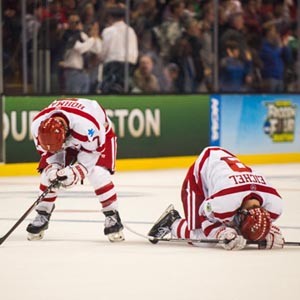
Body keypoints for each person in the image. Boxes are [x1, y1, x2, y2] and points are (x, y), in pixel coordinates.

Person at [27, 97, 124, 243]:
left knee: (97, 173)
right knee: (49, 176)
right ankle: (42, 214)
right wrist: (54, 168)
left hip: (99, 137)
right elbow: (48, 152)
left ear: (65, 132)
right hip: (68, 135)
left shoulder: (87, 126)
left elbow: (93, 152)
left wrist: (77, 172)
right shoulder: (37, 126)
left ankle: (112, 216)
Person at [148, 147, 284, 250]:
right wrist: (219, 233)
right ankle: (172, 222)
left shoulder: (275, 206)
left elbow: (260, 222)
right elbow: (203, 213)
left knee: (228, 225)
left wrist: (265, 232)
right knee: (200, 237)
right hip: (201, 175)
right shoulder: (224, 203)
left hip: (225, 178)